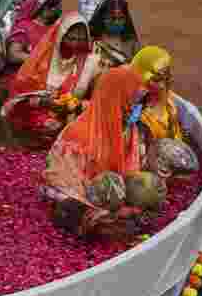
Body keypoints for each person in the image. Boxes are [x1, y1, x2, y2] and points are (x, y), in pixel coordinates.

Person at [41, 65, 146, 236]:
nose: (138, 106)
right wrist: (100, 208)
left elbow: (133, 172)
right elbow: (61, 184)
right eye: (134, 99)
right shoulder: (78, 135)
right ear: (115, 98)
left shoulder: (130, 129)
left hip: (114, 196)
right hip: (83, 199)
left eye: (140, 100)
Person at [3, 12, 102, 142]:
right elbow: (19, 98)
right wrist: (44, 103)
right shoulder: (41, 59)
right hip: (33, 121)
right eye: (71, 39)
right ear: (60, 36)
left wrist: (73, 107)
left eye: (80, 40)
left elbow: (98, 101)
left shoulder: (92, 63)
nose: (75, 44)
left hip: (72, 125)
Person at [131, 46, 185, 143]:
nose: (168, 80)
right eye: (159, 78)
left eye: (167, 74)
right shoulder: (141, 117)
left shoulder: (169, 104)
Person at [4, 0, 63, 66]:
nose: (53, 9)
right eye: (50, 5)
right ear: (40, 6)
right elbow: (13, 55)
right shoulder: (24, 26)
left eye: (56, 6)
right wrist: (39, 60)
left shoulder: (56, 30)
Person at [88, 0, 141, 68]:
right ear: (102, 18)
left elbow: (139, 66)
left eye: (121, 18)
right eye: (113, 18)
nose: (117, 22)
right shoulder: (93, 42)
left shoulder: (131, 42)